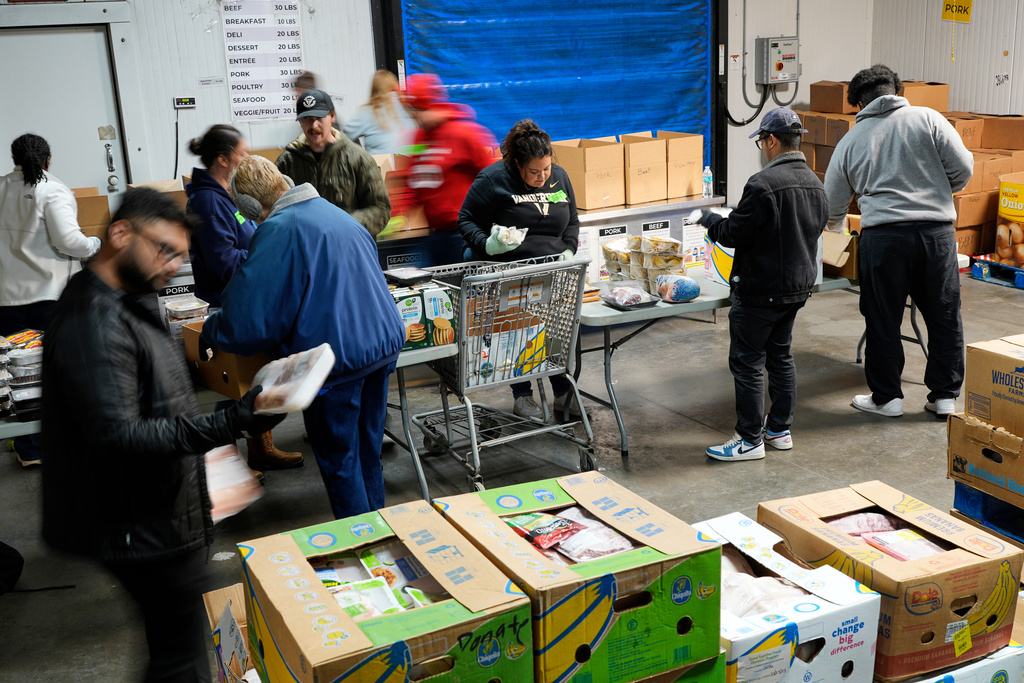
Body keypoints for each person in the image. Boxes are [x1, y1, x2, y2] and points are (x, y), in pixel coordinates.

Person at [41, 187, 284, 682]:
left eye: (181, 255)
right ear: (120, 233)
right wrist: (230, 422)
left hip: (156, 507)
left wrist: (211, 462)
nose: (174, 265)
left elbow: (159, 402)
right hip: (137, 523)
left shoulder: (128, 299)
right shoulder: (94, 319)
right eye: (164, 249)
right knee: (181, 658)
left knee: (178, 649)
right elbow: (119, 436)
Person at [203, 156, 405, 519]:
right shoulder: (335, 213)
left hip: (335, 363)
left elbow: (252, 320)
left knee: (341, 461)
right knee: (366, 453)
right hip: (379, 349)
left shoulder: (280, 229)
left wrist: (211, 329)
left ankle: (364, 546)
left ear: (250, 206)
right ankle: (381, 531)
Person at [825, 64, 973, 419]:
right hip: (935, 236)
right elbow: (964, 169)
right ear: (898, 91)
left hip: (884, 240)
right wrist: (937, 188)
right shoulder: (929, 119)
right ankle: (944, 397)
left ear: (856, 103)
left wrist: (835, 234)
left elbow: (832, 203)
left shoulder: (851, 140)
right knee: (943, 316)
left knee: (883, 319)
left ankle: (887, 398)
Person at [695, 108, 827, 462]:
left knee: (748, 362)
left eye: (761, 141)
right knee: (781, 356)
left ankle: (749, 439)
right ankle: (778, 429)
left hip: (759, 291)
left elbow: (733, 233)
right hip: (796, 289)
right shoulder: (816, 183)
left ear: (770, 140)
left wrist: (708, 219)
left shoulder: (762, 183)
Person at [185, 124, 302, 472]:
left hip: (246, 295)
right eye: (242, 153)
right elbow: (222, 260)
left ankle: (259, 448)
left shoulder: (225, 195)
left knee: (250, 379)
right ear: (223, 159)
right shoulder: (208, 200)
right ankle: (228, 467)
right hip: (228, 300)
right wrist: (264, 260)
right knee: (230, 386)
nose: (247, 158)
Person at [458, 119, 582, 420]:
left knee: (558, 333)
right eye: (533, 171)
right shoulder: (492, 180)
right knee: (516, 333)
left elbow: (574, 221)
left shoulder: (561, 178)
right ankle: (522, 394)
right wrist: (487, 245)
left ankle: (564, 391)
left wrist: (569, 249)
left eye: (546, 169)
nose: (542, 177)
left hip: (554, 273)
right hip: (509, 273)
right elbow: (465, 220)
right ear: (516, 164)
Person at [0, 133, 101, 467]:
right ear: (48, 159)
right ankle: (62, 445)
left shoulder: (0, 188)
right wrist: (95, 244)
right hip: (48, 298)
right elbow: (70, 241)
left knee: (22, 378)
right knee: (61, 374)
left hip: (6, 301)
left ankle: (28, 448)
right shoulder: (50, 189)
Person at [397, 73, 496, 266]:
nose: (415, 115)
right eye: (412, 110)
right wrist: (400, 213)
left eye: (418, 109)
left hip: (462, 234)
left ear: (432, 105)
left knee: (460, 288)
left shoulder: (464, 133)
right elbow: (413, 179)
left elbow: (492, 178)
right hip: (434, 233)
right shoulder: (420, 138)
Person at [275, 89, 391, 237]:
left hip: (349, 250)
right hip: (306, 252)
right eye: (307, 119)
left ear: (332, 116)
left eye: (319, 117)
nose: (314, 125)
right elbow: (274, 208)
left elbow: (380, 208)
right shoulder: (287, 162)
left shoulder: (359, 159)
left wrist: (344, 227)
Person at [343, 70, 415, 155]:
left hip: (381, 166)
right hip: (409, 165)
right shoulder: (407, 109)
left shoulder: (366, 113)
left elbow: (342, 138)